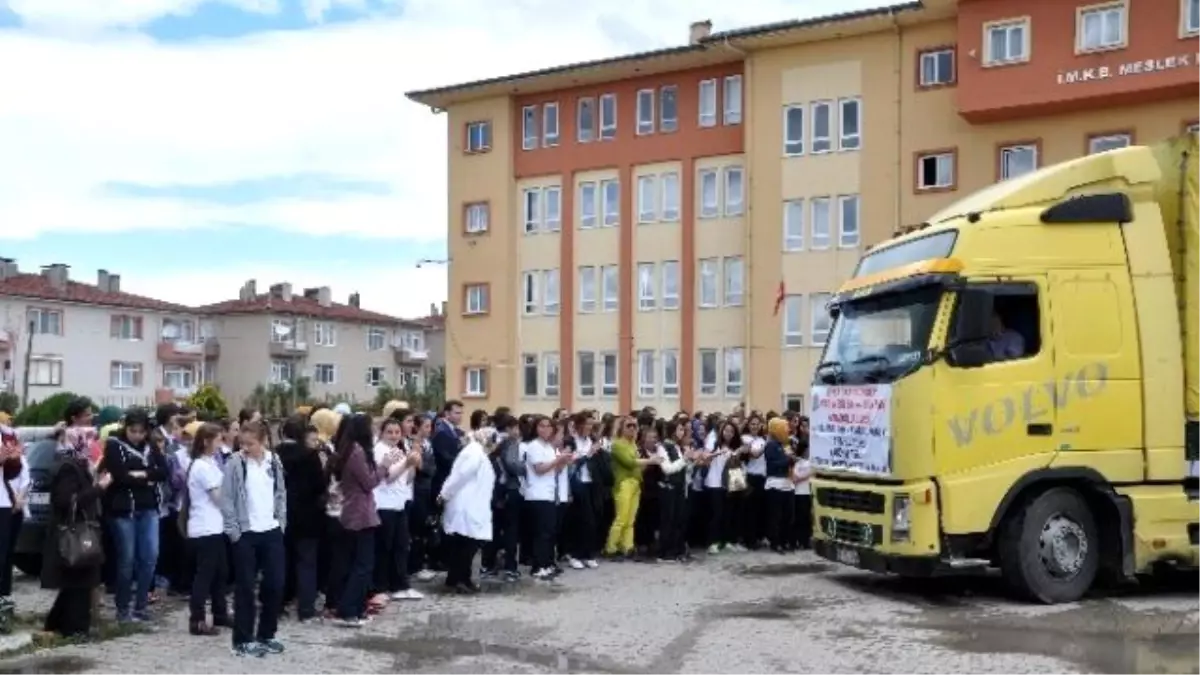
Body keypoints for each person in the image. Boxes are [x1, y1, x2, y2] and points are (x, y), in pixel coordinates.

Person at [221, 420, 287, 658]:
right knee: (245, 588)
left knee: (275, 584)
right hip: (246, 533)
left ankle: (266, 634)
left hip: (271, 530)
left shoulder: (274, 461)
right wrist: (234, 532)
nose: (246, 448)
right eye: (243, 443)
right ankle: (242, 639)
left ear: (264, 441)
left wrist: (281, 523)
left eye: (252, 443)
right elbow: (226, 499)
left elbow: (280, 493)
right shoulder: (235, 463)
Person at [330, 413, 400, 628]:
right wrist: (385, 465)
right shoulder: (357, 452)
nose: (373, 432)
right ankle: (349, 609)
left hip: (355, 512)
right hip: (360, 514)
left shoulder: (349, 449)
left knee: (358, 563)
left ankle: (356, 608)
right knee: (363, 564)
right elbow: (369, 483)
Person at [41, 429, 111, 638]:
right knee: (78, 580)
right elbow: (66, 501)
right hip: (73, 532)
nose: (92, 445)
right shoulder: (68, 467)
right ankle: (74, 629)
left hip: (80, 528)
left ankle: (60, 624)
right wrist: (99, 488)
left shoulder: (77, 463)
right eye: (87, 441)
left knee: (79, 581)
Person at [103, 408, 168, 623]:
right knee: (127, 560)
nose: (138, 435)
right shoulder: (114, 445)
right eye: (133, 431)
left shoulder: (150, 446)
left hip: (148, 507)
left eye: (141, 432)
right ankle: (123, 609)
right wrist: (146, 475)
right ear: (126, 428)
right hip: (123, 510)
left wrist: (139, 473)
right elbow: (119, 475)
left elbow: (163, 471)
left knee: (150, 557)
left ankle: (141, 606)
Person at [278, 416, 328, 622]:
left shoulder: (273, 454)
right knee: (307, 561)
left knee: (282, 561)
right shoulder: (310, 455)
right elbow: (319, 485)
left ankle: (279, 602)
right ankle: (306, 608)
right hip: (308, 515)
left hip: (281, 513)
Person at [182, 423, 230, 636]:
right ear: (206, 441)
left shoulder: (211, 463)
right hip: (204, 528)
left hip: (215, 526)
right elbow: (218, 498)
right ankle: (197, 619)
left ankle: (220, 612)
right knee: (205, 575)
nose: (221, 444)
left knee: (221, 573)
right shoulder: (201, 466)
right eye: (218, 439)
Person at [438, 429, 496, 594]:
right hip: (466, 506)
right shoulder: (473, 453)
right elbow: (459, 476)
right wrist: (444, 494)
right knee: (466, 545)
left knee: (466, 545)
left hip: (473, 505)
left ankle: (461, 578)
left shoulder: (478, 453)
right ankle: (457, 580)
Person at [603, 417, 658, 560]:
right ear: (621, 428)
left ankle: (627, 546)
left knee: (631, 519)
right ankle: (611, 547)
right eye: (629, 426)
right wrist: (650, 460)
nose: (633, 429)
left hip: (635, 482)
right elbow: (629, 462)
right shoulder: (617, 445)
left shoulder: (633, 444)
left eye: (635, 426)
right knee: (621, 518)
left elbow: (638, 465)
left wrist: (646, 463)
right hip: (623, 483)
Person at [480, 414, 523, 582]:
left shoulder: (489, 441)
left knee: (493, 529)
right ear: (509, 428)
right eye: (516, 428)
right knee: (511, 530)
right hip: (509, 489)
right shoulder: (510, 442)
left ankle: (487, 565)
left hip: (493, 490)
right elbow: (512, 463)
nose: (518, 431)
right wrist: (524, 467)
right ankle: (510, 568)